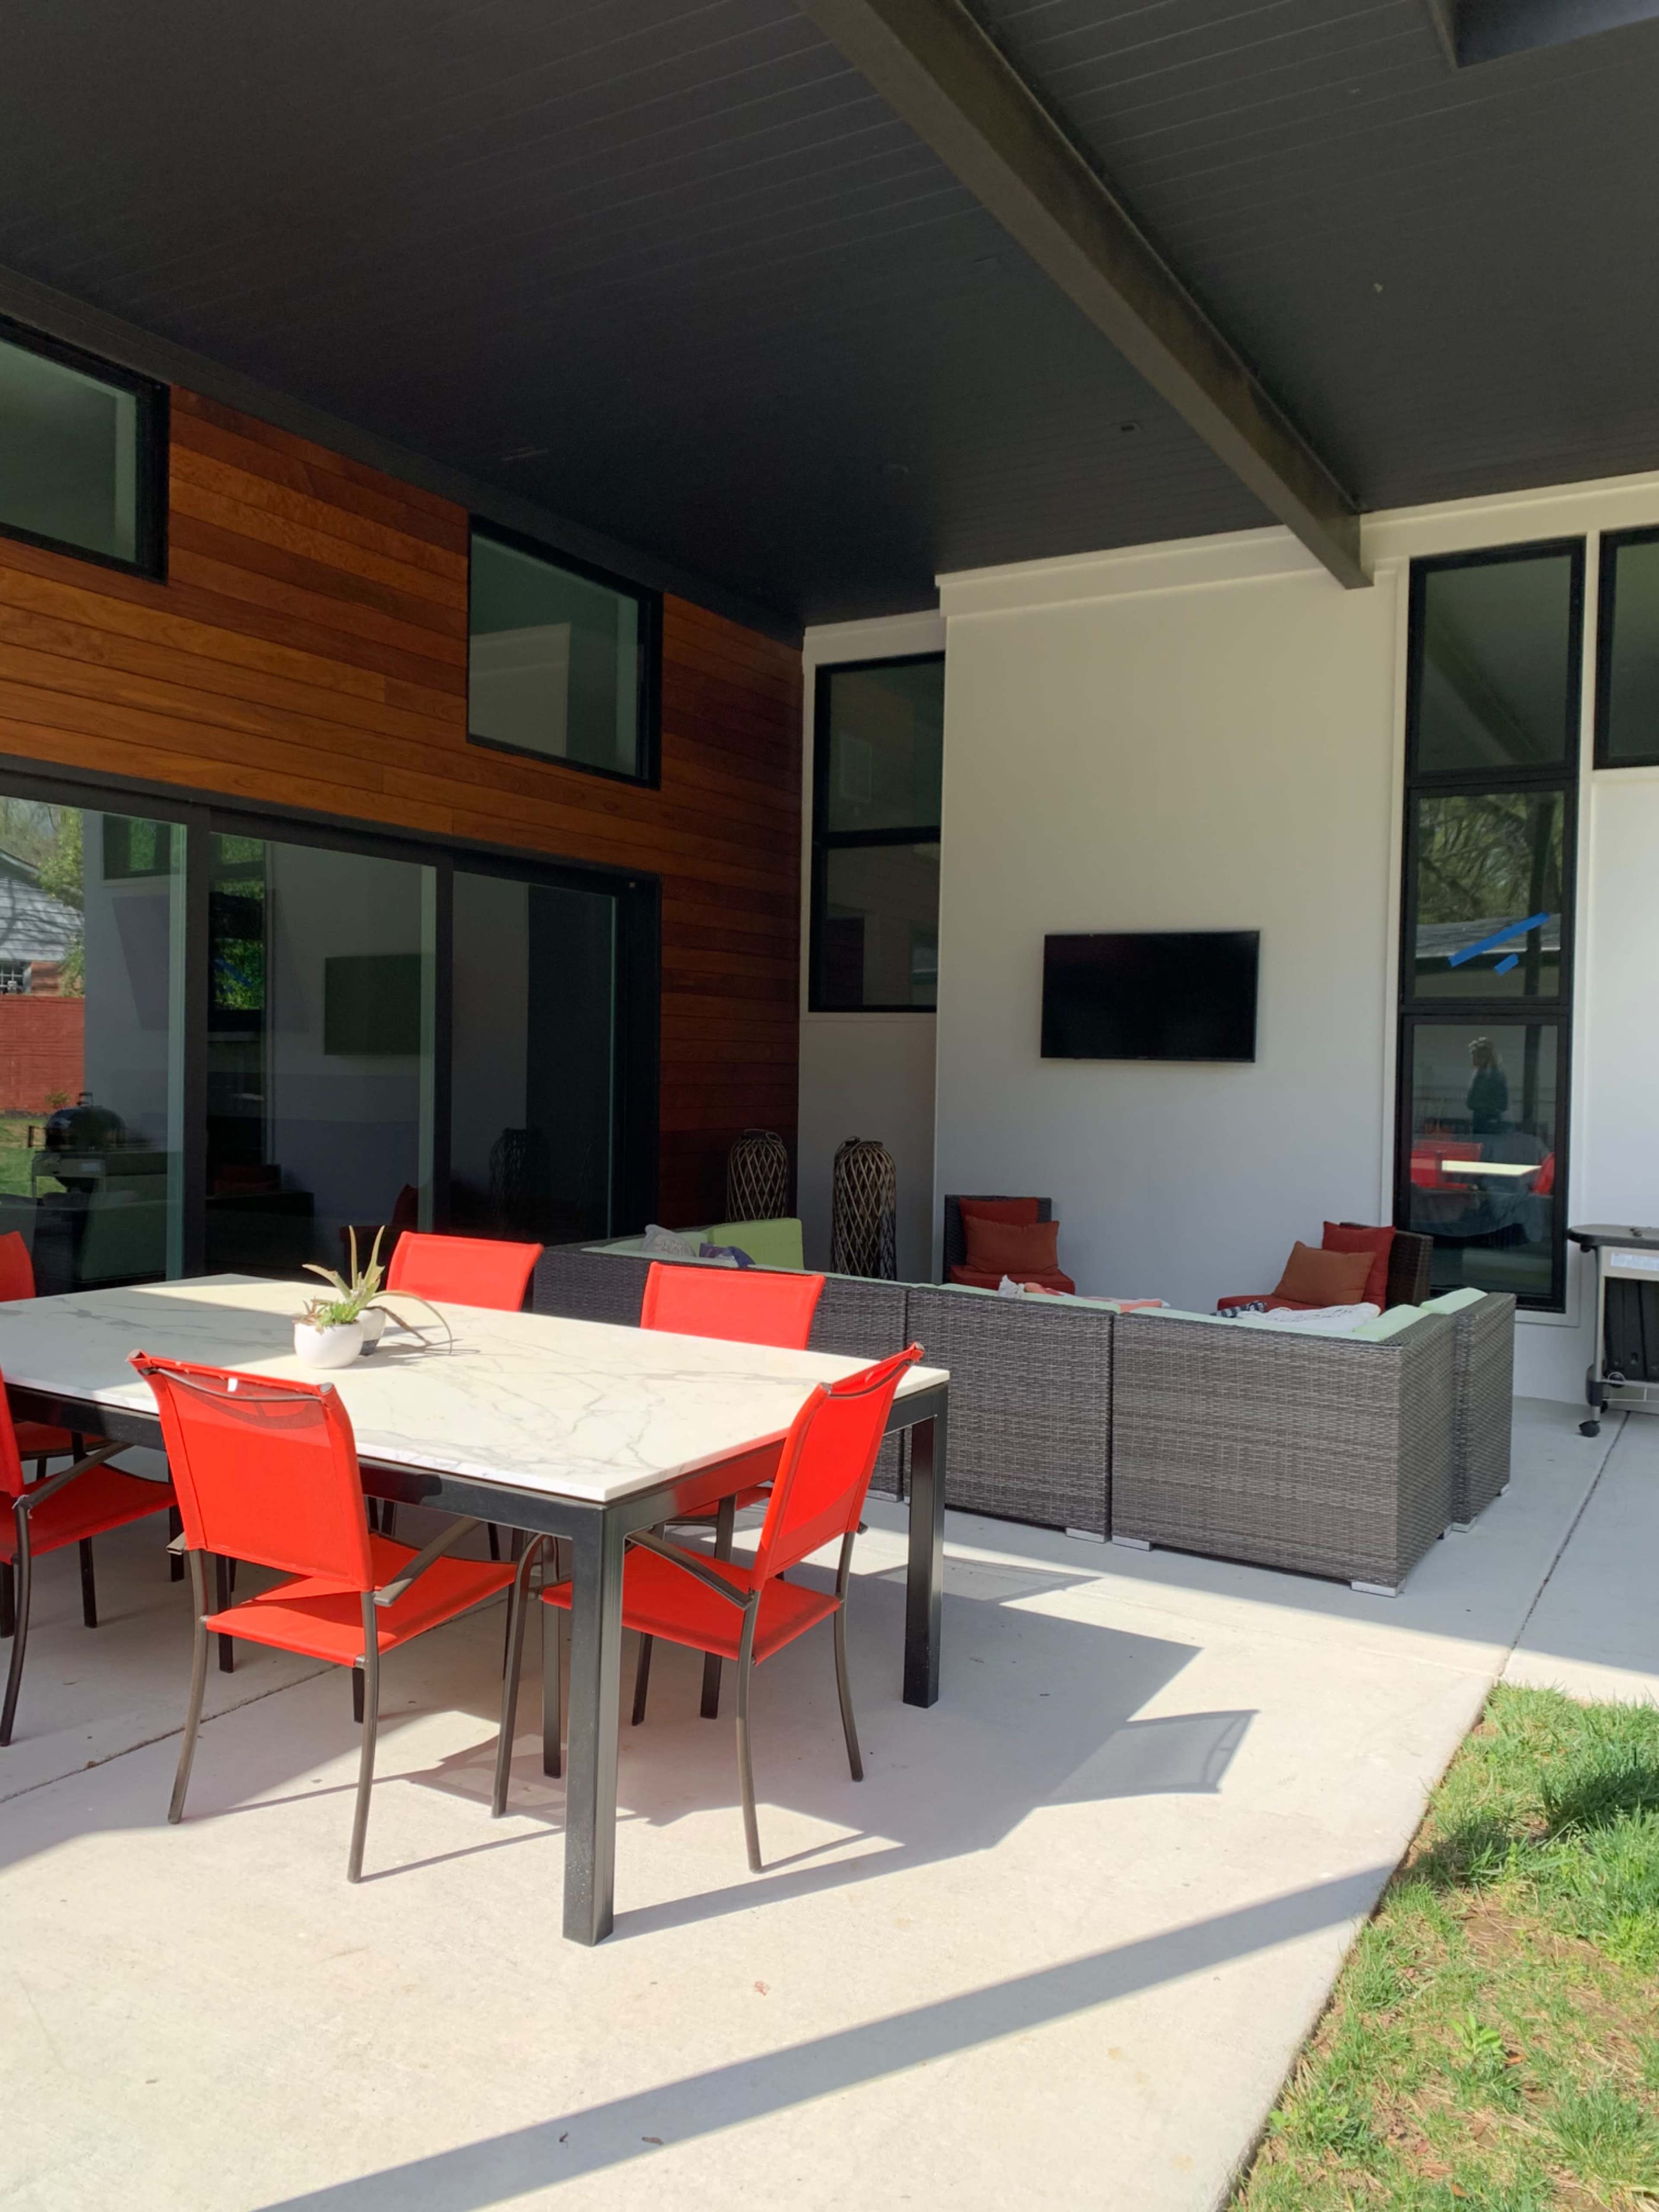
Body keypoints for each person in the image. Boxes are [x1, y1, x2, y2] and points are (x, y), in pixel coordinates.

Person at [1466, 1037, 1510, 1137]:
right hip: (1481, 1121)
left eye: (1474, 1056)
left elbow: (1501, 1103)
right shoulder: (1480, 1074)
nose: (1472, 1059)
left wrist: (1482, 1108)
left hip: (1488, 1124)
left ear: (1483, 1058)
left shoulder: (1493, 1076)